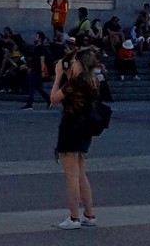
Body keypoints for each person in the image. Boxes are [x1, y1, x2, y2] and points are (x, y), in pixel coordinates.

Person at [50, 46, 104, 228]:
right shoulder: (92, 81)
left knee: (71, 175)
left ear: (80, 63)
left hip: (70, 129)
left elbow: (54, 98)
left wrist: (59, 75)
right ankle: (89, 214)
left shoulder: (74, 83)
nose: (71, 64)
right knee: (81, 172)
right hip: (85, 129)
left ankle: (74, 217)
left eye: (74, 61)